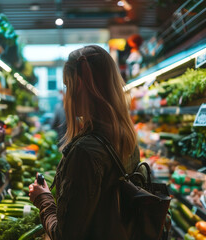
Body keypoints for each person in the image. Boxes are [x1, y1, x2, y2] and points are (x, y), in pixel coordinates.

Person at [29, 45, 139, 240]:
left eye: (67, 85)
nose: (67, 95)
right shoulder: (126, 138)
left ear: (79, 84)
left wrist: (43, 199)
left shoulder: (84, 151)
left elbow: (65, 235)